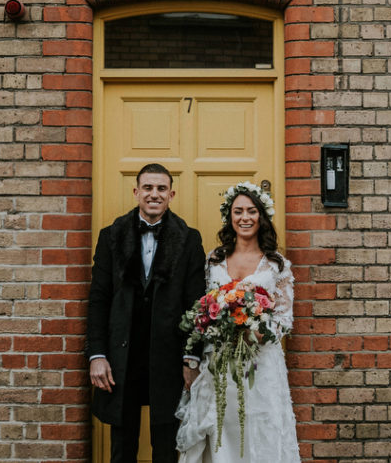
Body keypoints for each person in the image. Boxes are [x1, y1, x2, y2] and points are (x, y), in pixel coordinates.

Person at [87, 163, 207, 463]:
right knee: (122, 444)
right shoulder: (110, 236)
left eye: (161, 189)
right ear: (136, 191)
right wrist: (97, 354)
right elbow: (99, 299)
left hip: (169, 354)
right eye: (148, 188)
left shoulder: (189, 240)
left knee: (166, 444)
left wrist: (191, 358)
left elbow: (197, 304)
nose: (155, 194)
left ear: (171, 194)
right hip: (120, 354)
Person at [175, 181, 301, 463]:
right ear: (229, 217)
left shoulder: (276, 264)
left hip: (261, 363)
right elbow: (202, 310)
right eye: (238, 211)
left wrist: (257, 333)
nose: (245, 217)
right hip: (220, 362)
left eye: (252, 211)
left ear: (261, 217)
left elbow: (284, 317)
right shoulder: (214, 260)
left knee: (259, 427)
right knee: (223, 428)